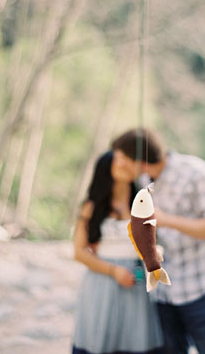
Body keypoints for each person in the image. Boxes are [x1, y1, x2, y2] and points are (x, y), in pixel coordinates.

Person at [112, 129, 205, 354]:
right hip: (162, 291)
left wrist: (166, 220)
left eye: (121, 158)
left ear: (138, 160)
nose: (118, 163)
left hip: (203, 286)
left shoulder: (198, 172)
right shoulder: (141, 181)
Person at [72, 150, 164, 354]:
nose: (125, 164)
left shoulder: (143, 202)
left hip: (137, 281)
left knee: (137, 339)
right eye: (119, 160)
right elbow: (79, 252)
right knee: (101, 340)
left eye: (128, 159)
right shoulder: (91, 207)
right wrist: (114, 271)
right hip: (102, 282)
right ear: (106, 168)